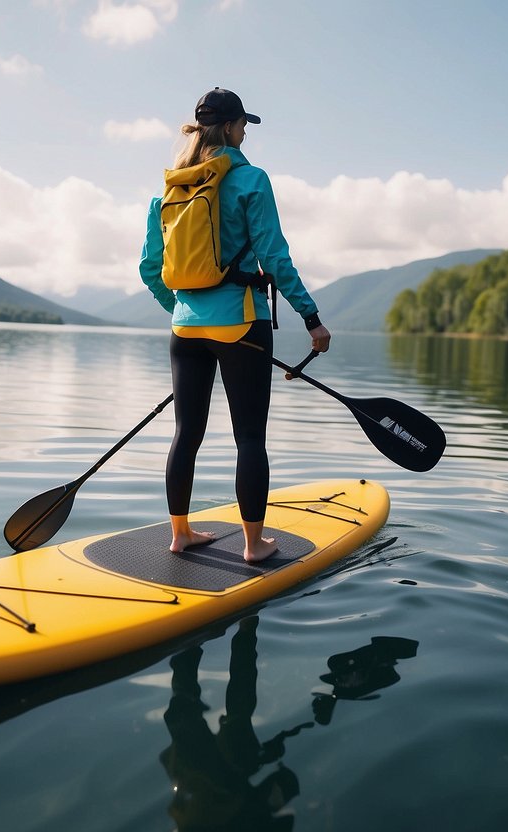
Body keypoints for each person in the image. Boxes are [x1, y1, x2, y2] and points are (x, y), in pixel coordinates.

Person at [139, 87, 331, 563]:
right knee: (249, 437)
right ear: (228, 127)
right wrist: (312, 318)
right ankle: (253, 544)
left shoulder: (171, 186)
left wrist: (185, 309)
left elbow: (149, 266)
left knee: (187, 433)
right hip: (243, 324)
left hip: (185, 330)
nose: (246, 132)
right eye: (243, 124)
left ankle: (180, 534)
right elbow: (274, 257)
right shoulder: (251, 180)